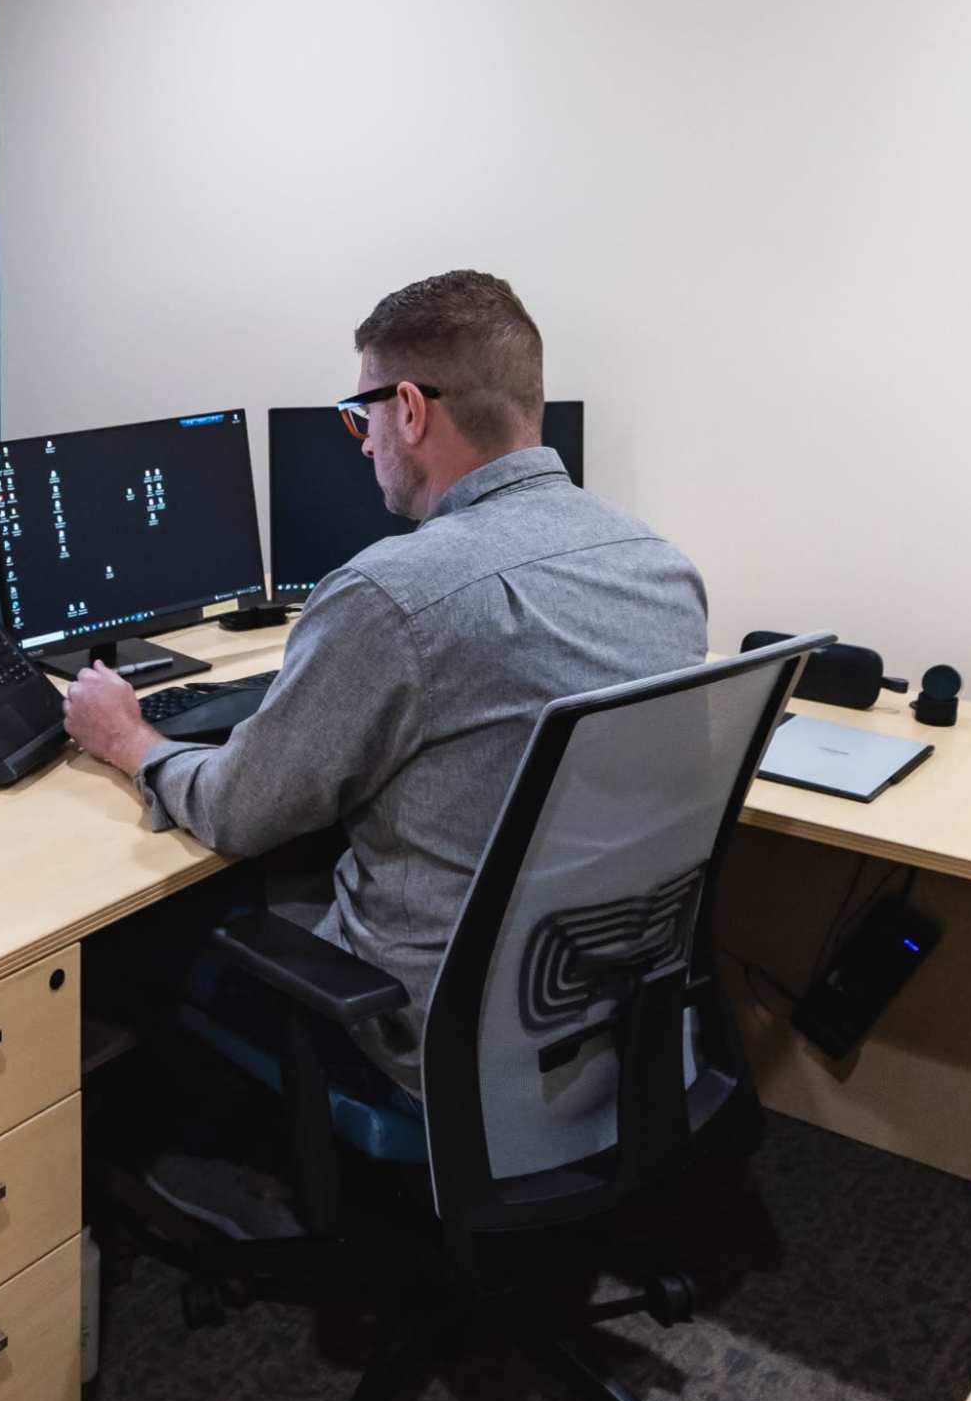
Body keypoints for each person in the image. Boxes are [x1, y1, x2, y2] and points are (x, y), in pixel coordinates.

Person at [59, 269, 708, 1085]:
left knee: (137, 950)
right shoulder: (658, 566)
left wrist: (130, 739)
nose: (363, 441)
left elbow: (238, 811)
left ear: (407, 408)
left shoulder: (391, 596)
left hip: (417, 1029)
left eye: (360, 414)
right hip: (600, 1008)